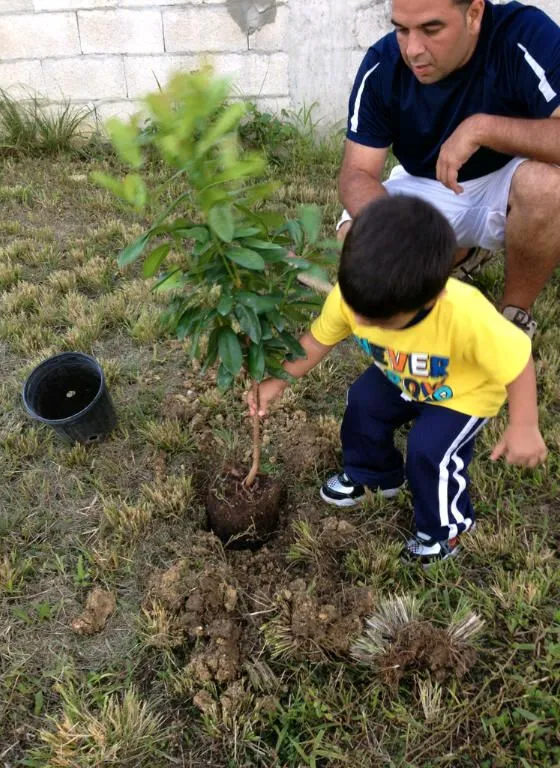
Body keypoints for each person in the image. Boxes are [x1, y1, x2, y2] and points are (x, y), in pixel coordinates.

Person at [247, 196, 547, 566]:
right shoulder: (353, 295)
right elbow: (317, 341)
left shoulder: (465, 314)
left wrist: (524, 425)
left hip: (463, 394)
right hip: (400, 374)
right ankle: (375, 474)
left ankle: (445, 529)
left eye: (382, 320)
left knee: (429, 451)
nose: (365, 323)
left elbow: (518, 361)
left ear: (433, 295)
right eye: (360, 313)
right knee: (362, 402)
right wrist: (278, 381)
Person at [338, 0, 560, 337]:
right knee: (356, 234)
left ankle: (513, 317)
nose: (413, 49)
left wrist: (483, 129)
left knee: (550, 187)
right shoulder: (382, 63)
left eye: (431, 29)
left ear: (473, 14)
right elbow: (357, 173)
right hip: (424, 185)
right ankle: (454, 255)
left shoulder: (522, 33)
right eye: (401, 29)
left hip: (506, 180)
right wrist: (395, 232)